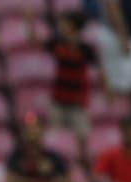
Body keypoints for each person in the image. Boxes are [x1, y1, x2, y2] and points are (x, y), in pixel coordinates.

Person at [28, 10, 99, 153]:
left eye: (64, 24)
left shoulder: (85, 49)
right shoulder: (57, 43)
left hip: (78, 102)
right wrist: (30, 22)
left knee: (82, 140)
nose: (61, 26)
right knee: (55, 140)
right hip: (58, 101)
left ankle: (83, 166)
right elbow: (35, 43)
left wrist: (108, 87)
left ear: (73, 27)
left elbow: (100, 67)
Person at [98, 0, 131, 105]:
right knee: (115, 83)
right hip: (118, 37)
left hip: (128, 37)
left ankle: (126, 116)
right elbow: (112, 8)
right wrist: (124, 38)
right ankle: (111, 114)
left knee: (128, 83)